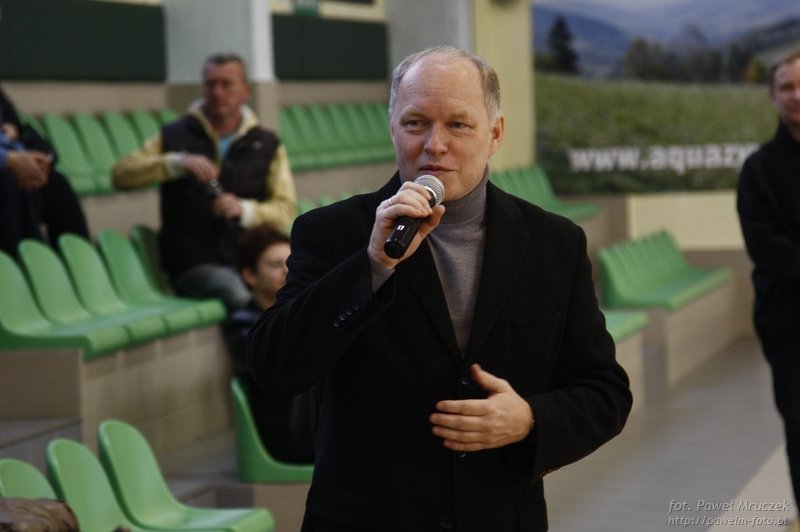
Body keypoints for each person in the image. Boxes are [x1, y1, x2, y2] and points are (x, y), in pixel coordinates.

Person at [246, 46, 631, 531]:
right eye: (415, 123)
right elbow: (275, 369)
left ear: (495, 134)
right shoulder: (331, 233)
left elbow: (604, 392)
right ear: (392, 128)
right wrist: (372, 265)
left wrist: (530, 419)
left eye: (458, 125)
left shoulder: (554, 243)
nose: (434, 145)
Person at [112, 52, 297, 312]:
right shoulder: (174, 134)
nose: (217, 93)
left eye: (226, 84)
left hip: (248, 258)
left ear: (245, 91)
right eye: (210, 84)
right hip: (192, 263)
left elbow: (285, 210)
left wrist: (244, 210)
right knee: (236, 291)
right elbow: (121, 175)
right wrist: (174, 163)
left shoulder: (267, 143)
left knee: (296, 287)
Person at [737, 49, 800, 511]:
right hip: (790, 326)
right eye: (787, 87)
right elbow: (768, 249)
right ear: (773, 97)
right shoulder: (758, 170)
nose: (796, 95)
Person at [225, 224, 316, 463]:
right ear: (249, 276)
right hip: (288, 439)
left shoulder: (298, 314)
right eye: (275, 265)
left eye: (291, 263)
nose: (287, 272)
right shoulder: (244, 327)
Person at [0, 87, 89, 257]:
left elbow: (15, 124)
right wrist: (9, 160)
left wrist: (36, 161)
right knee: (8, 182)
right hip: (5, 169)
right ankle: (20, 264)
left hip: (15, 157)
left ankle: (79, 264)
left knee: (56, 184)